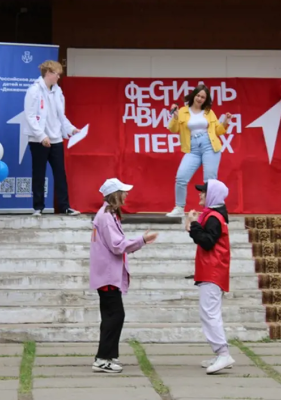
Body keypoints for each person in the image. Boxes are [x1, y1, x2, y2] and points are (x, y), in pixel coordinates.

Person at [89, 178, 159, 373]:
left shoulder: (108, 214)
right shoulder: (106, 216)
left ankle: (107, 356)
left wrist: (140, 241)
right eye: (124, 191)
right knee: (115, 315)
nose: (127, 194)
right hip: (108, 275)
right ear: (115, 195)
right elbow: (117, 245)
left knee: (111, 316)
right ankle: (103, 358)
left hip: (107, 274)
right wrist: (142, 240)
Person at [186, 179, 235, 374]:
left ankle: (223, 353)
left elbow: (207, 242)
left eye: (203, 192)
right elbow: (202, 236)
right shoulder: (212, 215)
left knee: (209, 313)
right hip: (211, 270)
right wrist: (194, 224)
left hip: (213, 270)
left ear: (212, 195)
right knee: (209, 312)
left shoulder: (214, 217)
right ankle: (220, 353)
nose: (200, 194)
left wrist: (194, 224)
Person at [23, 60, 81, 216]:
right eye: (57, 74)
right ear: (48, 73)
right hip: (38, 140)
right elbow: (29, 116)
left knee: (60, 173)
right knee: (39, 173)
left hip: (56, 139)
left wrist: (71, 129)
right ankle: (38, 207)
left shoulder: (58, 92)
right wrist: (41, 135)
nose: (58, 77)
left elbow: (61, 116)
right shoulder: (34, 90)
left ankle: (65, 206)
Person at [165, 85, 232, 218]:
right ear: (193, 96)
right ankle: (179, 208)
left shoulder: (208, 112)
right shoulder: (183, 111)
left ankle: (210, 209)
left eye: (203, 97)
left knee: (209, 181)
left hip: (209, 145)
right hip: (192, 148)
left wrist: (225, 122)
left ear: (205, 100)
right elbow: (173, 129)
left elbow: (218, 131)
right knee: (181, 178)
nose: (200, 99)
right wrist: (175, 117)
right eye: (198, 96)